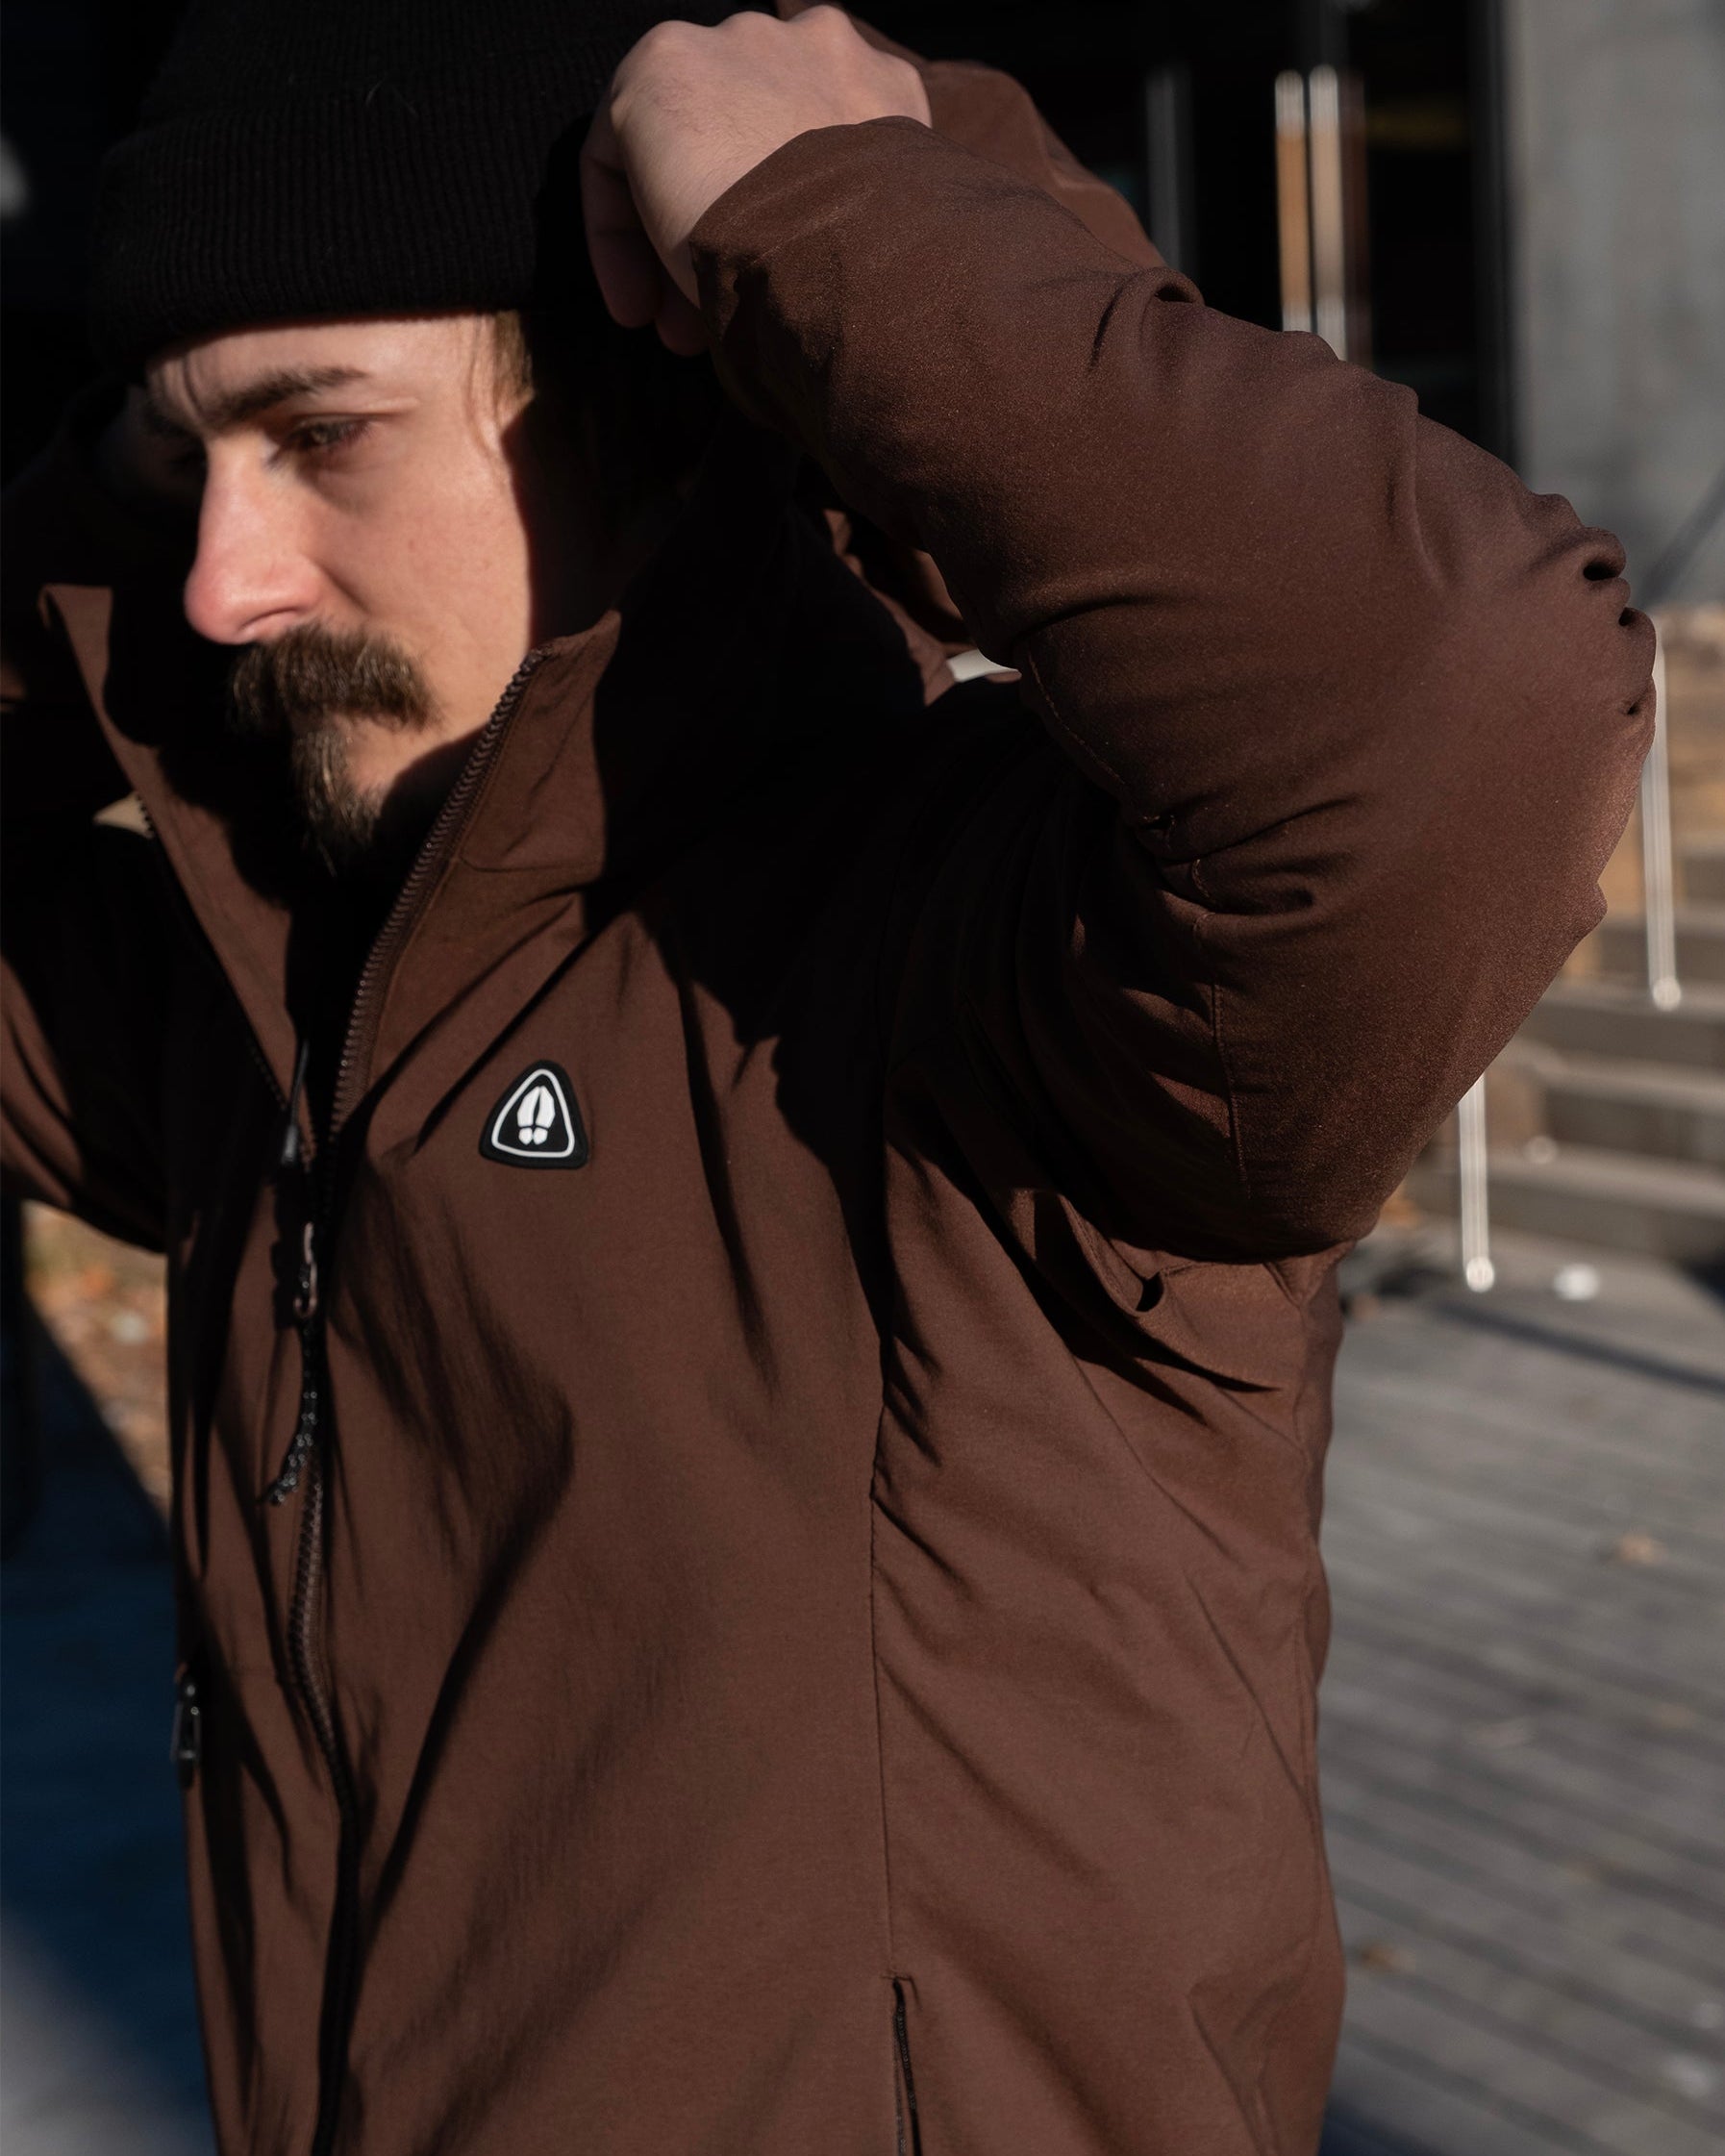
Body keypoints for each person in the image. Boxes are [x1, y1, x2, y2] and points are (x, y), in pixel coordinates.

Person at [0, 3, 1653, 2151]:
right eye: (173, 471)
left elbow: (1464, 701)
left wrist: (853, 200)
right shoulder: (256, 997)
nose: (216, 587)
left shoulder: (983, 960)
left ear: (647, 415)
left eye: (324, 435)